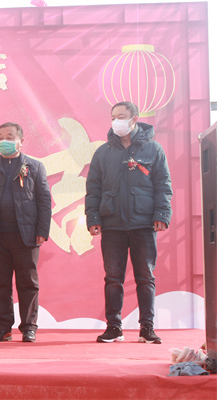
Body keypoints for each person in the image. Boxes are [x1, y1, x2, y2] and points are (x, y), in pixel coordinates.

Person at [85, 101, 172, 344]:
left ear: (134, 119)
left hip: (143, 224)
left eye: (121, 116)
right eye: (113, 117)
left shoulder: (153, 149)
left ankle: (147, 328)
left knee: (146, 277)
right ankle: (114, 327)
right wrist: (93, 218)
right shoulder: (103, 152)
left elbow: (163, 185)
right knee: (113, 278)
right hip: (112, 224)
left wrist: (161, 215)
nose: (116, 121)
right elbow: (93, 188)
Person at [0, 122, 51, 343]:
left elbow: (44, 201)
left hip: (26, 236)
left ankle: (29, 327)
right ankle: (3, 327)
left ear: (20, 141)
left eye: (9, 136)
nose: (4, 141)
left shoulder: (35, 167)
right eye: (0, 137)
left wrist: (42, 230)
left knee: (28, 283)